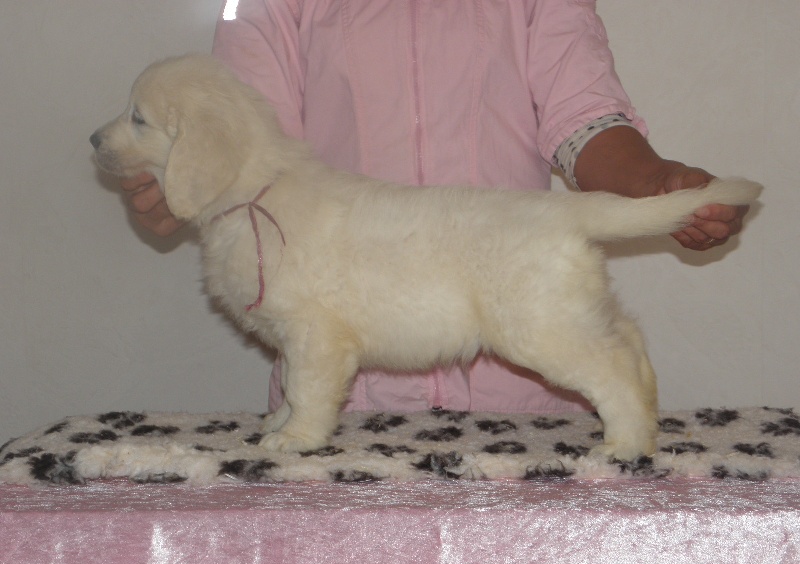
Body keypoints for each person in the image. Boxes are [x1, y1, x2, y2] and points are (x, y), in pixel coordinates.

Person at [119, 1, 748, 416]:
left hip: (523, 399)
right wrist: (184, 181)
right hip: (346, 402)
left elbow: (583, 120)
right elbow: (243, 138)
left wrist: (654, 183)